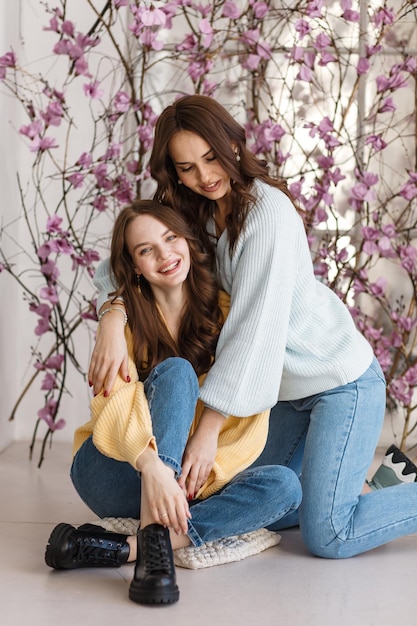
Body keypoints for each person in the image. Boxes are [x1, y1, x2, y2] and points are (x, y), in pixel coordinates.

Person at [89, 94, 417, 560]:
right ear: (174, 172)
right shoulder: (198, 210)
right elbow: (126, 257)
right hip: (281, 396)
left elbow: (252, 332)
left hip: (340, 382)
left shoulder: (268, 214)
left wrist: (207, 431)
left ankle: (150, 546)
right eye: (186, 167)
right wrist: (113, 316)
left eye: (210, 157)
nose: (204, 176)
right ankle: (374, 485)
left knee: (329, 534)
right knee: (254, 499)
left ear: (233, 143)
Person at [45, 199, 301, 606]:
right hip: (114, 470)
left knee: (285, 488)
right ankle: (155, 556)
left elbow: (248, 408)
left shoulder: (229, 313)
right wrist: (155, 468)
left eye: (170, 238)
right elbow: (113, 406)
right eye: (146, 250)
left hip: (187, 484)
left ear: (188, 240)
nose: (165, 255)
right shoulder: (124, 321)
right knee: (177, 371)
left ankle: (135, 546)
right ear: (132, 266)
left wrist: (204, 475)